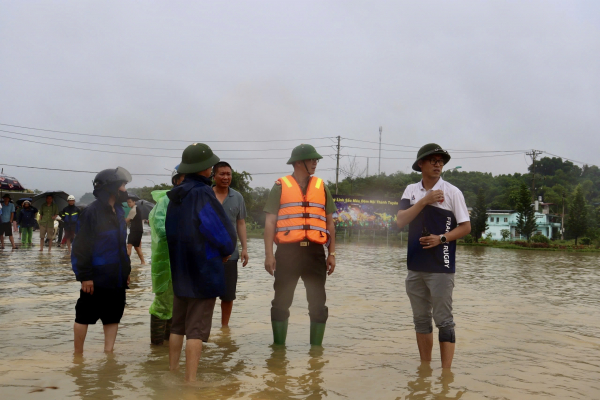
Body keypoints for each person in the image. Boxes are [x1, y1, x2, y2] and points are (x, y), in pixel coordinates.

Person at [396, 143, 471, 369]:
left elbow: (466, 227)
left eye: (441, 161)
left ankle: (446, 375)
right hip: (415, 266)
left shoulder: (452, 192)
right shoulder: (411, 190)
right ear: (421, 164)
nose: (438, 164)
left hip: (441, 267)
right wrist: (425, 200)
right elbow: (400, 220)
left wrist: (442, 238)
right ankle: (425, 370)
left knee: (444, 321)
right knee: (420, 320)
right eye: (433, 160)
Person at [166, 143, 236, 382]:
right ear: (205, 168)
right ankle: (190, 383)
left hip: (180, 269)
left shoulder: (175, 195)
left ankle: (172, 373)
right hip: (202, 271)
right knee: (195, 330)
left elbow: (171, 232)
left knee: (177, 326)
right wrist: (226, 249)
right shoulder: (202, 193)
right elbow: (217, 228)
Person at [263, 144, 337, 347]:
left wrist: (332, 253)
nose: (315, 163)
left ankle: (316, 353)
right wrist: (269, 254)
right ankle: (278, 352)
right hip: (288, 253)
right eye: (311, 159)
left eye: (316, 160)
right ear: (298, 162)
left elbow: (330, 223)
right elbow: (270, 222)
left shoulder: (321, 187)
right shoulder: (280, 186)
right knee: (281, 303)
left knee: (318, 304)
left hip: (315, 253)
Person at [71, 167, 133, 354]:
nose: (124, 189)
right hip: (96, 276)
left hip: (116, 275)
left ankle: (109, 355)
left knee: (113, 316)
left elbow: (121, 245)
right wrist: (85, 276)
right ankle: (78, 357)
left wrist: (126, 272)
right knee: (84, 315)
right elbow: (80, 247)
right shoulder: (91, 212)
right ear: (111, 187)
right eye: (122, 185)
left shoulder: (120, 212)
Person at [148, 166, 184, 345]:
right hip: (167, 262)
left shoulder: (192, 200)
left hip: (184, 262)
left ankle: (167, 349)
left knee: (177, 306)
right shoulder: (165, 202)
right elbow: (163, 231)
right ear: (176, 181)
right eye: (183, 179)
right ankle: (156, 349)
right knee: (163, 304)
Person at [212, 161, 249, 328]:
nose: (226, 177)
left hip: (231, 254)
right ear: (214, 176)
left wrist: (244, 249)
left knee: (228, 295)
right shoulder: (206, 194)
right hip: (208, 254)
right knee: (207, 294)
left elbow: (240, 223)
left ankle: (224, 328)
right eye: (222, 174)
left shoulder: (237, 197)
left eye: (228, 174)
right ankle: (204, 327)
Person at [125, 196, 146, 265]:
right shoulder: (137, 209)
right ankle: (143, 262)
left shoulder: (133, 210)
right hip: (138, 230)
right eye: (128, 202)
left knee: (129, 246)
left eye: (130, 202)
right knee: (137, 247)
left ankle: (127, 262)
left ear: (134, 202)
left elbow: (127, 220)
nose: (129, 204)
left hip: (135, 231)